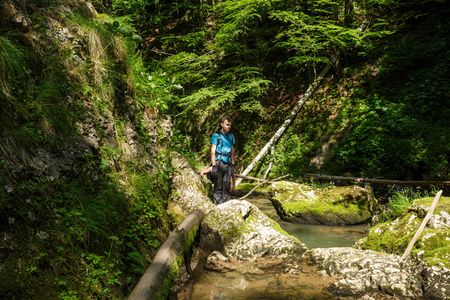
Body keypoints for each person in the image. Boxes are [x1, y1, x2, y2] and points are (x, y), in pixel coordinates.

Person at [210, 116, 236, 204]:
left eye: (230, 125)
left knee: (227, 185)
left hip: (227, 163)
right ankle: (217, 205)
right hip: (218, 162)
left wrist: (233, 165)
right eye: (227, 125)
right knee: (219, 185)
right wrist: (214, 166)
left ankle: (225, 205)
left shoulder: (231, 137)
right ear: (222, 124)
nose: (229, 126)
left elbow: (232, 152)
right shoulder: (216, 136)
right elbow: (212, 151)